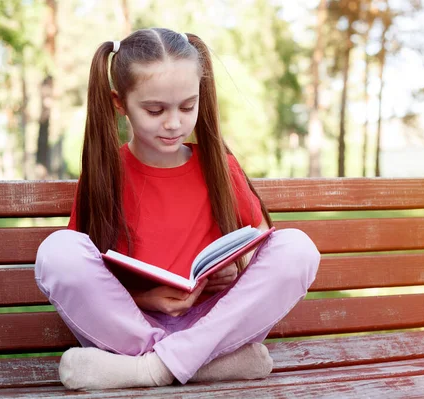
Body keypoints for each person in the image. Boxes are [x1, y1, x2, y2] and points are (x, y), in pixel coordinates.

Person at [35, 27, 320, 391]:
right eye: (155, 110)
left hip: (212, 321)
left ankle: (147, 370)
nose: (174, 123)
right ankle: (202, 364)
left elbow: (265, 246)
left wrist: (238, 268)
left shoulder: (219, 165)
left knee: (297, 247)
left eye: (188, 106)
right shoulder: (105, 174)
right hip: (131, 326)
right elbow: (85, 277)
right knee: (57, 251)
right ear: (119, 103)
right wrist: (145, 297)